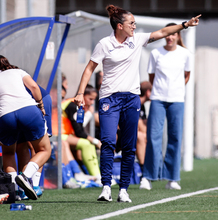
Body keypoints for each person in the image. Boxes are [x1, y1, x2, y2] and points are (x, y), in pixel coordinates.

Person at [74, 4, 200, 203]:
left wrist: (185, 24)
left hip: (131, 99)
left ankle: (123, 189)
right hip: (109, 98)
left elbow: (163, 31)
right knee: (108, 141)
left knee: (129, 145)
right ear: (119, 26)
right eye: (131, 23)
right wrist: (80, 92)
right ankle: (106, 187)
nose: (135, 26)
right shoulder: (104, 44)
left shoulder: (137, 40)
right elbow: (90, 68)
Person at [139, 23, 192, 191]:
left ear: (178, 36)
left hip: (177, 101)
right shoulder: (155, 53)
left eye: (174, 35)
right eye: (168, 34)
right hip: (158, 100)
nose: (170, 37)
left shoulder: (185, 54)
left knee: (175, 138)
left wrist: (176, 89)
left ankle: (172, 179)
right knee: (153, 137)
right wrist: (161, 91)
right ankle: (148, 177)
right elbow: (152, 77)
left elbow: (187, 75)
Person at [0, 55, 51, 200]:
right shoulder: (18, 71)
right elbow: (34, 86)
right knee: (44, 149)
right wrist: (40, 105)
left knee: (9, 153)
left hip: (5, 115)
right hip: (28, 110)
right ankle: (26, 177)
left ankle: (14, 192)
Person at [61, 84, 102, 185]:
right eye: (90, 99)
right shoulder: (72, 105)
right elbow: (79, 132)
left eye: (94, 100)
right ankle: (98, 177)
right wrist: (96, 141)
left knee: (84, 144)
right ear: (83, 96)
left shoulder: (75, 105)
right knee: (86, 144)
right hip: (58, 135)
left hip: (66, 135)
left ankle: (86, 174)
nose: (92, 103)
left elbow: (79, 128)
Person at [136, 81, 152, 173]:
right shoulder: (136, 103)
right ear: (148, 92)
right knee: (142, 136)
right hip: (122, 133)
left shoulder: (142, 106)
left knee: (147, 136)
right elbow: (140, 126)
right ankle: (144, 169)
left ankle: (152, 167)